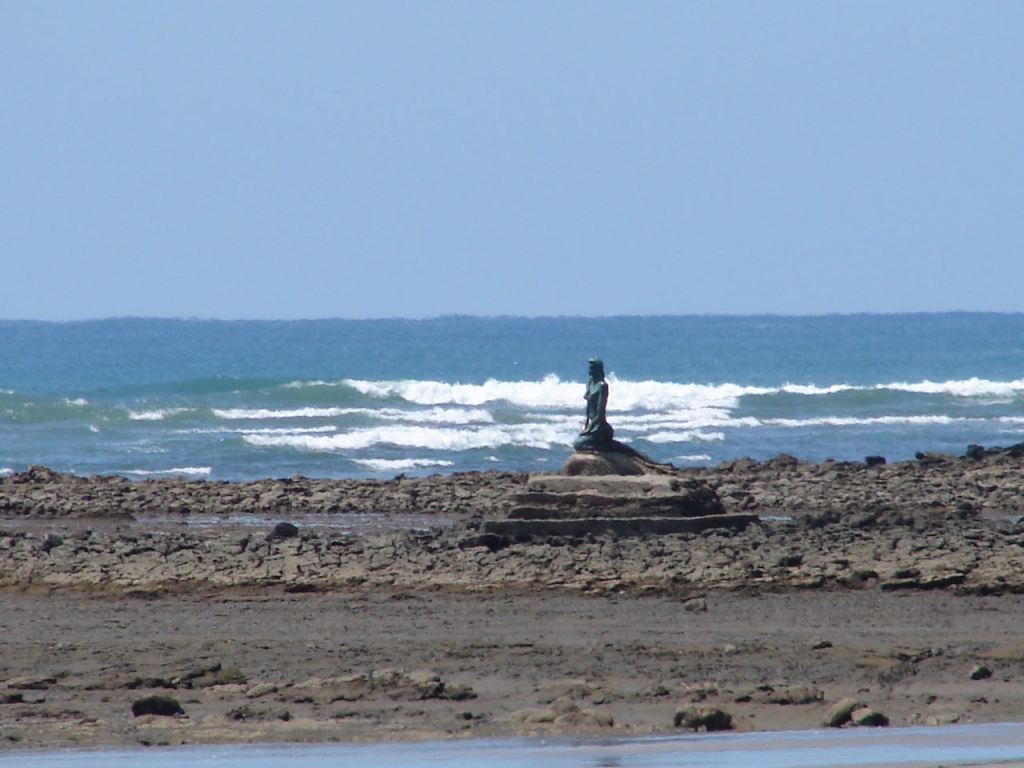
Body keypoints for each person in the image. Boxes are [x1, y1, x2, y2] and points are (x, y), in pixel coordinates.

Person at [574, 357, 614, 450]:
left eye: (592, 368)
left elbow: (600, 414)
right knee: (579, 441)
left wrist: (589, 429)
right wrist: (586, 424)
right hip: (592, 425)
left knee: (578, 444)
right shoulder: (591, 382)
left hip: (600, 427)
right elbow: (588, 409)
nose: (589, 370)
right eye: (589, 368)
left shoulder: (602, 386)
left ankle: (602, 448)